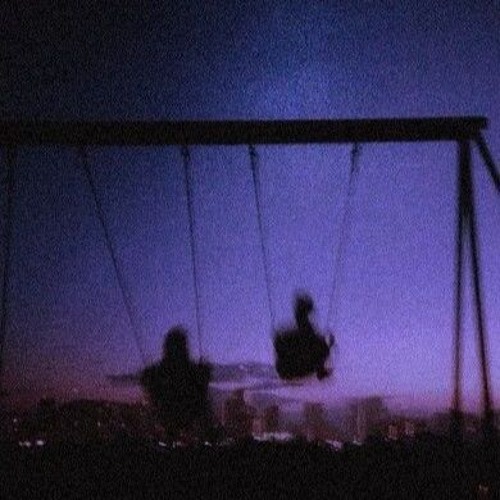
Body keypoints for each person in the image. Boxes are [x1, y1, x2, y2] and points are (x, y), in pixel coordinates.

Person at [140, 327, 212, 443]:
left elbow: (153, 395)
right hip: (188, 417)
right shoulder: (196, 372)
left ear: (166, 348)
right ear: (185, 348)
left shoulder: (156, 374)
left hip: (168, 418)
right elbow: (201, 399)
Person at [274, 294, 334, 380]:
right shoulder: (317, 348)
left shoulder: (314, 345)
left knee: (306, 336)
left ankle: (302, 309)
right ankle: (302, 309)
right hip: (292, 367)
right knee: (307, 337)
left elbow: (279, 344)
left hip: (288, 368)